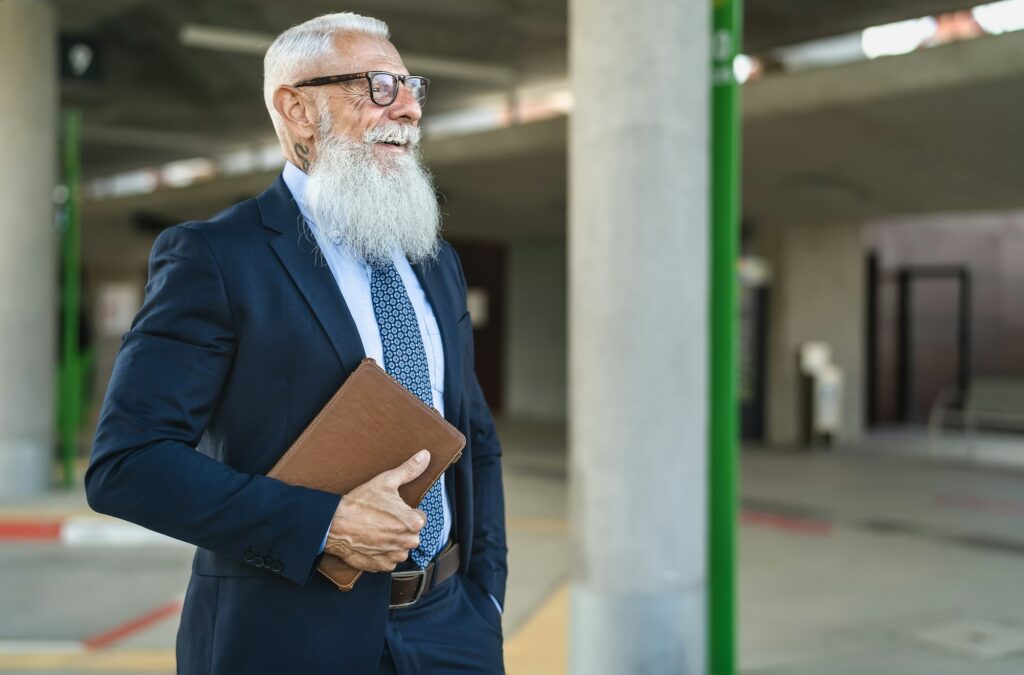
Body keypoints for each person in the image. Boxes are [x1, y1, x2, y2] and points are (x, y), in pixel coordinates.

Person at [85, 12, 507, 675]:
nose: (411, 107)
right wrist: (324, 523)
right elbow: (127, 464)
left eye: (410, 85)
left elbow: (475, 439)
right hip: (287, 639)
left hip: (452, 629)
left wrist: (487, 599)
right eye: (379, 85)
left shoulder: (436, 261)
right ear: (298, 108)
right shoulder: (217, 258)